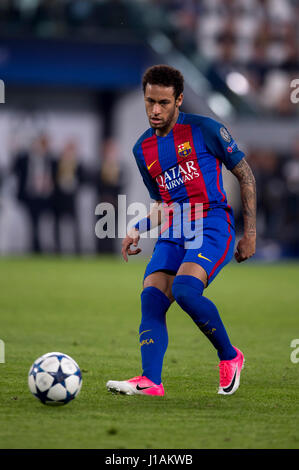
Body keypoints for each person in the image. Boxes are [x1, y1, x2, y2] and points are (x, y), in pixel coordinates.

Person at [106, 65, 256, 397]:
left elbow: (245, 174)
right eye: (149, 102)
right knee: (152, 296)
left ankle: (230, 356)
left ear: (179, 100)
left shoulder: (206, 130)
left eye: (163, 102)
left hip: (213, 221)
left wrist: (251, 234)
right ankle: (151, 381)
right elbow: (164, 203)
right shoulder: (141, 150)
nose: (155, 110)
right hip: (177, 226)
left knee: (187, 291)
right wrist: (138, 228)